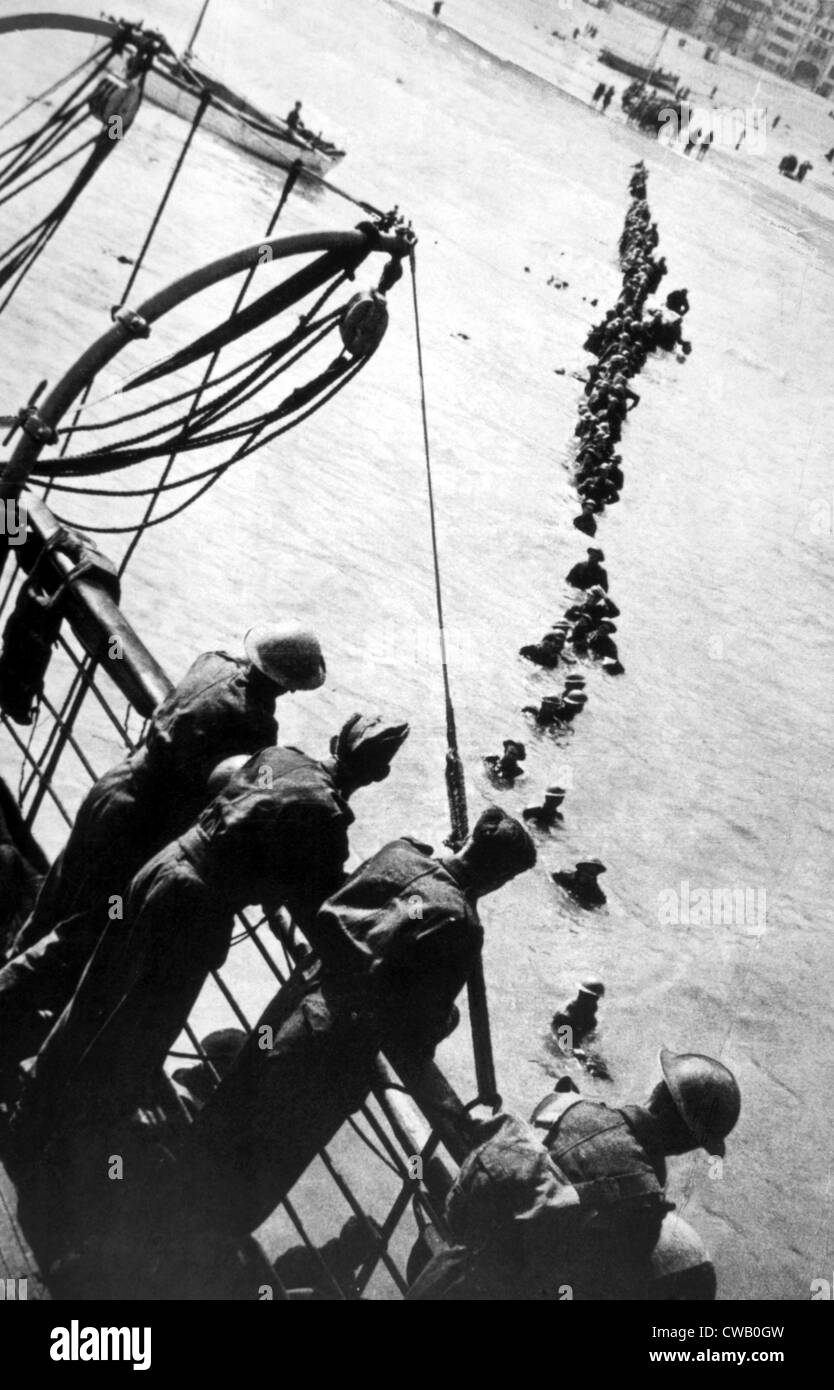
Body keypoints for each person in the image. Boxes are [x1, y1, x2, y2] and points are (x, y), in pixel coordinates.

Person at [145, 808, 538, 1286]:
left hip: (294, 1003)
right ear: (501, 876)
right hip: (330, 1057)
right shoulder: (460, 924)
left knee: (218, 1128)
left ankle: (142, 1246)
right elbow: (416, 1031)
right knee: (255, 1178)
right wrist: (447, 1017)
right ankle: (167, 1283)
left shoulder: (402, 852)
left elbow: (340, 910)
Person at [11, 713, 409, 1151]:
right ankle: (77, 1136)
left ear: (335, 738)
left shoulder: (280, 756)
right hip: (195, 909)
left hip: (163, 866)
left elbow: (230, 787)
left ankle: (34, 1101)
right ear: (380, 773)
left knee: (98, 989)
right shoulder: (329, 821)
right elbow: (327, 905)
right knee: (145, 1022)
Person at [0, 623, 326, 1078]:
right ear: (288, 684)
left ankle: (8, 978)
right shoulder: (255, 724)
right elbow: (242, 793)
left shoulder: (211, 661)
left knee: (55, 899)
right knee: (84, 934)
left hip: (114, 790)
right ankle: (18, 1031)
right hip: (140, 831)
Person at [407, 1049, 740, 1300]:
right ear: (687, 1143)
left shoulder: (566, 1103)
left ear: (657, 1090)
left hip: (448, 1262)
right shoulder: (645, 1202)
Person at [551, 975, 604, 1044]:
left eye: (595, 998)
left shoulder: (591, 1007)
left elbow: (591, 1024)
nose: (594, 1000)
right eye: (592, 997)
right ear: (581, 994)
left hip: (577, 1027)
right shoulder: (567, 1013)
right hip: (563, 1027)